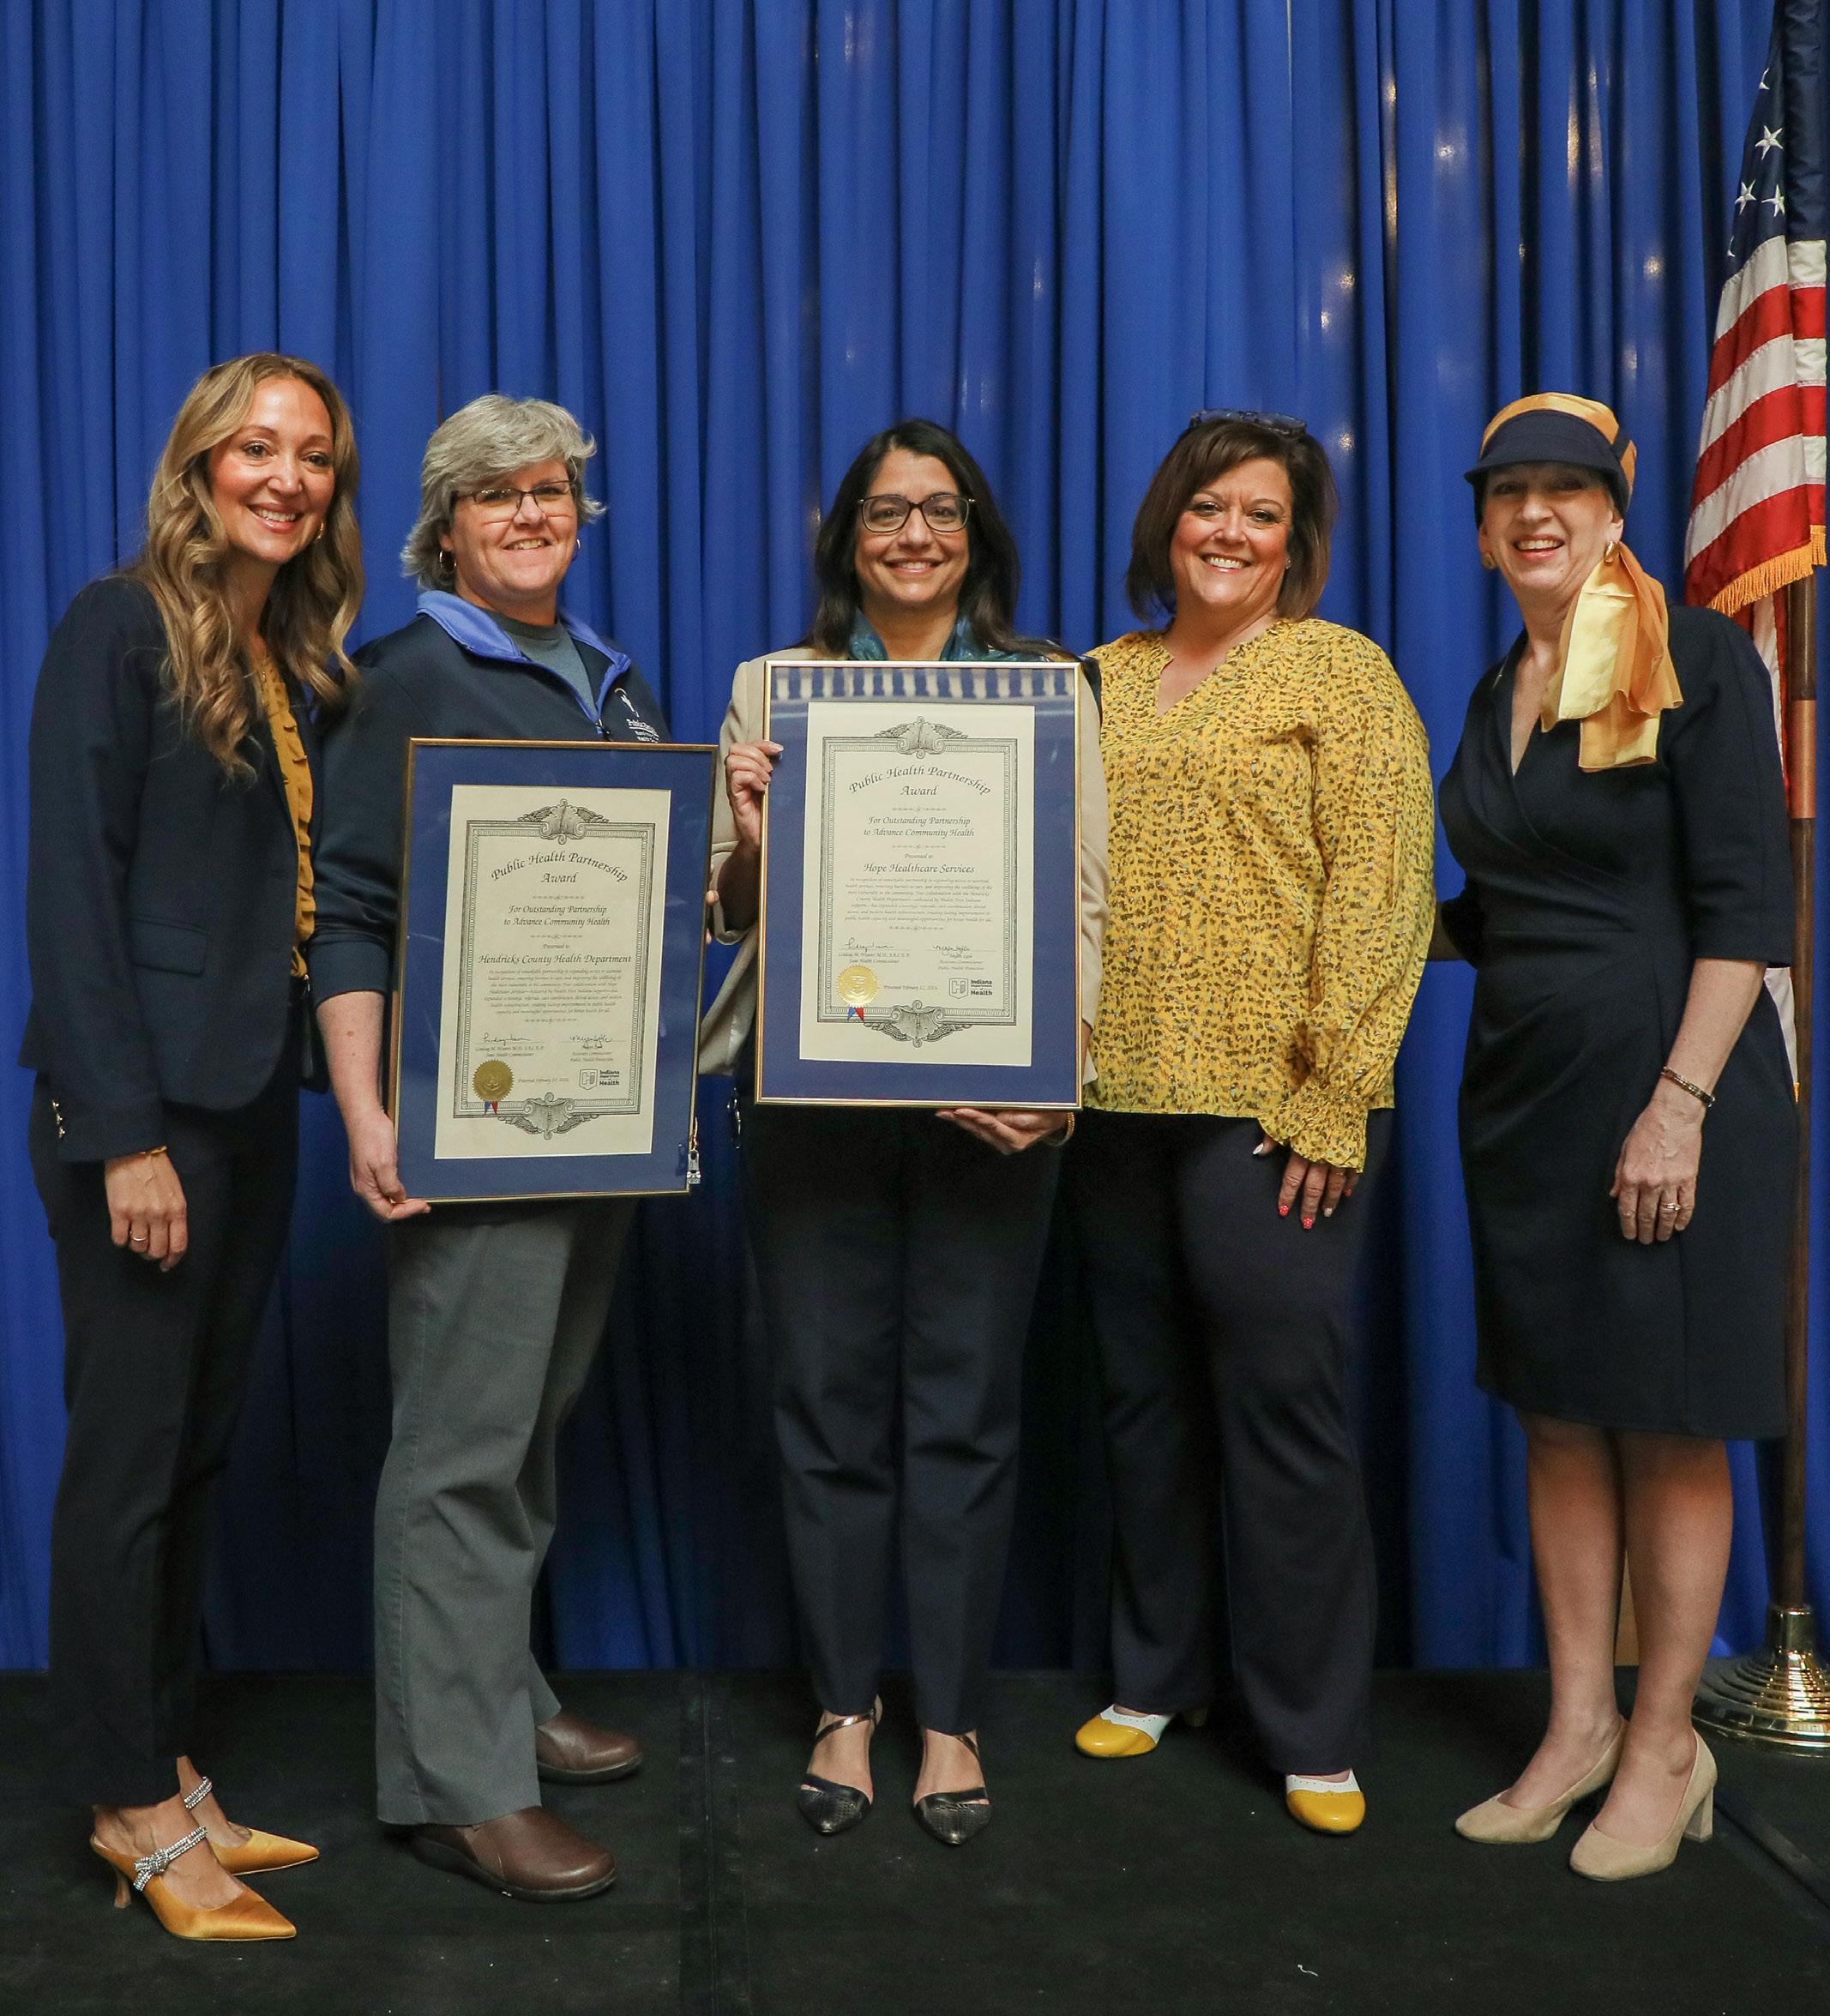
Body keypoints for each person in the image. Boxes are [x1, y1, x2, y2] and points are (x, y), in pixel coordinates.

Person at [701, 418, 1108, 1845]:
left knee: (964, 1413)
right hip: (811, 1103)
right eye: (885, 512)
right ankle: (841, 1706)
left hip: (990, 1107)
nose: (914, 535)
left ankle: (947, 1716)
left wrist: (1060, 1073)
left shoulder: (1048, 689)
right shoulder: (775, 687)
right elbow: (729, 912)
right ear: (847, 539)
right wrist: (753, 835)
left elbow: (1083, 895)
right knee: (823, 1407)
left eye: (940, 510)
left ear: (975, 531)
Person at [23, 352, 364, 1939]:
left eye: (315, 456)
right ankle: (128, 1808)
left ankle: (162, 1756)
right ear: (200, 466)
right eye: (258, 448)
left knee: (194, 1454)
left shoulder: (291, 655)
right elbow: (71, 899)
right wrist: (124, 1139)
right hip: (143, 1122)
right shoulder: (118, 627)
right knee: (126, 1469)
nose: (286, 477)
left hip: (246, 1107)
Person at [312, 394, 665, 1902]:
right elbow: (349, 908)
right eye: (497, 494)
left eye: (553, 491)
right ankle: (458, 1786)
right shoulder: (398, 676)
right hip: (471, 1126)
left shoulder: (609, 683)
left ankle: (498, 1692)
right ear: (445, 524)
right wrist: (366, 1112)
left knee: (525, 1432)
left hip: (600, 1121)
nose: (532, 515)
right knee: (460, 1448)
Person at [1437, 394, 1795, 1880]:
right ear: (1481, 524)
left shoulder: (1693, 656)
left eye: (1563, 489)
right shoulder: (1493, 691)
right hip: (1523, 1098)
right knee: (1557, 1412)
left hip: (1668, 1087)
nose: (1535, 511)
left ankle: (1664, 1745)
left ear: (1612, 507)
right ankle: (1577, 1723)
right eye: (1508, 490)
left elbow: (1746, 907)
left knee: (1663, 1416)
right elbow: (1490, 909)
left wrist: (1678, 1106)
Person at [1066, 409, 1435, 1837]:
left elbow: (1382, 890)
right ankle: (1156, 1673)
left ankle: (1309, 1725)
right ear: (1168, 522)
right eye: (1208, 506)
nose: (1229, 532)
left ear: (1296, 541)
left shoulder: (1339, 674)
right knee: (1140, 1402)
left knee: (1281, 1413)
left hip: (1272, 1109)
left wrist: (1335, 1094)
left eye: (1260, 513)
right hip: (1107, 1099)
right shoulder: (1097, 679)